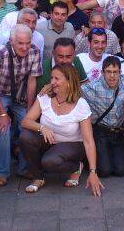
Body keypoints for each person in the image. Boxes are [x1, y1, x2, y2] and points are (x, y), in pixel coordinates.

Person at [20, 64, 104, 195]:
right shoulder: (45, 97)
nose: (52, 82)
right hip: (49, 142)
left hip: (73, 145)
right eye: (51, 78)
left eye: (57, 79)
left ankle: (76, 167)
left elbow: (89, 141)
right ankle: (38, 177)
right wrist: (41, 127)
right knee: (25, 136)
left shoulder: (80, 104)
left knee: (49, 161)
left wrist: (93, 172)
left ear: (69, 81)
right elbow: (25, 121)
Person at [0, 25, 43, 186]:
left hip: (19, 94)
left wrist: (30, 109)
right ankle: (2, 171)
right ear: (11, 41)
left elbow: (32, 81)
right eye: (20, 43)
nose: (25, 47)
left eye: (27, 42)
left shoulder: (34, 51)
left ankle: (24, 168)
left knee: (28, 126)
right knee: (2, 128)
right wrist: (2, 114)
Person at [81, 56, 124, 178]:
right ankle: (85, 161)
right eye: (108, 72)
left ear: (120, 72)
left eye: (115, 72)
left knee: (120, 171)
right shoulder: (92, 87)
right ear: (102, 72)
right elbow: (71, 88)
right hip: (101, 133)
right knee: (104, 171)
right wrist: (48, 87)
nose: (112, 76)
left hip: (118, 133)